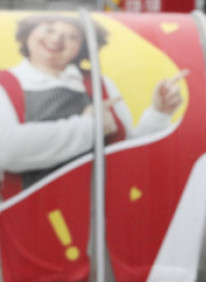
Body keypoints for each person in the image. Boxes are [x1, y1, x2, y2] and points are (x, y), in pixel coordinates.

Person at [0, 14, 185, 199]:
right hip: (31, 213)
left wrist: (158, 113)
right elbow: (7, 150)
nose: (57, 39)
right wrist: (90, 127)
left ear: (82, 47)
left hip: (104, 209)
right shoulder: (5, 84)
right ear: (28, 33)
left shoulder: (101, 83)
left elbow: (128, 150)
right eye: (49, 29)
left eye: (72, 36)